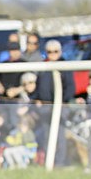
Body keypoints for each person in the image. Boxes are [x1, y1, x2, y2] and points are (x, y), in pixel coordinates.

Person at [31, 39, 75, 167]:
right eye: (49, 52)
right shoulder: (43, 67)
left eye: (55, 52)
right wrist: (36, 99)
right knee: (46, 134)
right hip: (45, 107)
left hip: (60, 106)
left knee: (60, 135)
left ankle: (60, 162)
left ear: (60, 52)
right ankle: (47, 161)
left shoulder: (65, 67)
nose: (52, 54)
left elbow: (70, 87)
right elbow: (38, 85)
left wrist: (63, 101)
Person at [0, 41, 25, 128]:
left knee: (15, 123)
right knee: (2, 123)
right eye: (12, 50)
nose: (14, 52)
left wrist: (17, 90)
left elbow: (29, 84)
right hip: (3, 99)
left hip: (18, 99)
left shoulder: (25, 64)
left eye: (16, 50)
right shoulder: (4, 64)